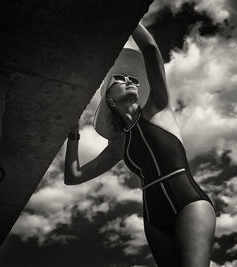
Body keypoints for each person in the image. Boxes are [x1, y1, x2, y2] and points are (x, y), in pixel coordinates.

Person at [64, 23, 216, 267]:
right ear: (110, 100)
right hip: (153, 220)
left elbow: (150, 48)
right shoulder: (118, 145)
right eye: (121, 79)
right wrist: (73, 136)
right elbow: (73, 177)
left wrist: (128, 18)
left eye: (133, 78)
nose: (130, 81)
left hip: (189, 204)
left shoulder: (159, 108)